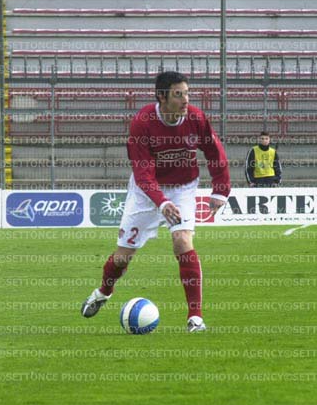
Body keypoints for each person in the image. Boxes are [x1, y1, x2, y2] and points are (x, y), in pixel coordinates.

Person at [82, 71, 230, 332]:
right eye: (178, 94)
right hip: (146, 192)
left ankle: (195, 318)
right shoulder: (143, 123)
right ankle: (104, 291)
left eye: (187, 93)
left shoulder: (195, 117)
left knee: (182, 240)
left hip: (183, 188)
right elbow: (143, 172)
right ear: (162, 97)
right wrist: (161, 202)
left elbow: (214, 151)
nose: (185, 100)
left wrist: (220, 190)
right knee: (122, 257)